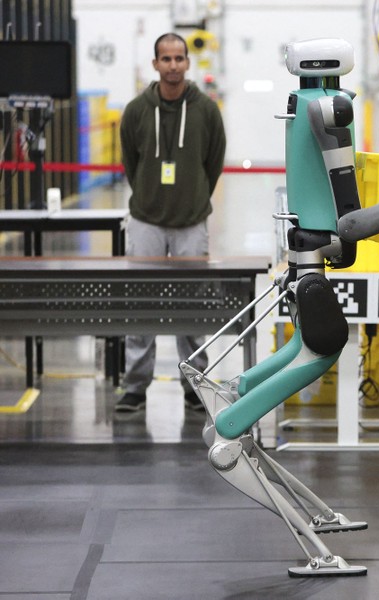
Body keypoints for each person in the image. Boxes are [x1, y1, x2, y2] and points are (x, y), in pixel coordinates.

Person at [115, 32, 226, 413]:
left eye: (179, 58)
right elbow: (131, 161)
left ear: (187, 63)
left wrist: (194, 195)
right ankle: (134, 386)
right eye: (166, 59)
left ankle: (194, 385)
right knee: (140, 306)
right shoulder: (135, 110)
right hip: (145, 220)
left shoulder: (206, 110)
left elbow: (214, 160)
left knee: (192, 308)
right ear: (155, 64)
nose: (173, 65)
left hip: (191, 222)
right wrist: (147, 194)